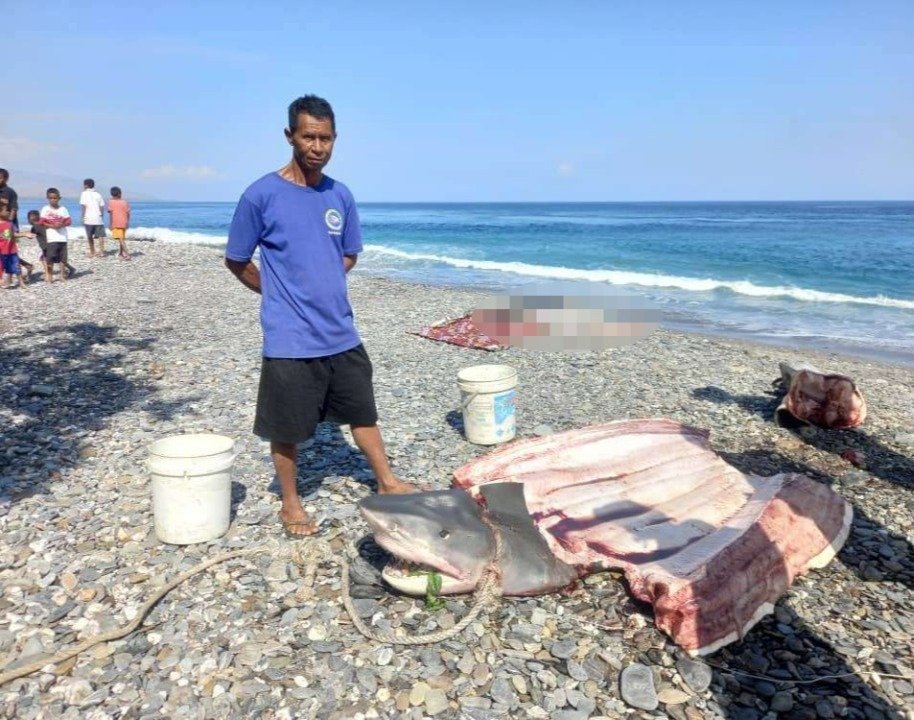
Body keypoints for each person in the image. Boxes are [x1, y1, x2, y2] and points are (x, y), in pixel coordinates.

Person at [225, 94, 416, 539]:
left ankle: (386, 481)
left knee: (362, 411)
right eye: (308, 136)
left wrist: (320, 282)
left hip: (341, 331)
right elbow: (236, 259)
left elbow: (347, 255)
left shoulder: (340, 195)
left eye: (325, 138)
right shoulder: (260, 195)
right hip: (289, 337)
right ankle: (291, 503)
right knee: (286, 426)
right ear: (289, 135)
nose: (317, 146)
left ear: (335, 139)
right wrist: (278, 292)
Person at [27, 209, 75, 279]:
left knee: (46, 259)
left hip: (48, 245)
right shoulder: (41, 225)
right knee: (58, 259)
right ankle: (70, 269)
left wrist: (25, 234)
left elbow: (31, 236)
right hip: (50, 244)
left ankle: (48, 274)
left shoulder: (36, 226)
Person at [40, 188, 72, 283]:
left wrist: (62, 225)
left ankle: (62, 276)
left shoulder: (63, 209)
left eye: (55, 198)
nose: (53, 200)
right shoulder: (45, 209)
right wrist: (52, 226)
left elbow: (69, 221)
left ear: (59, 198)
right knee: (50, 258)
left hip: (62, 237)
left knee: (63, 258)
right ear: (48, 198)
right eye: (51, 198)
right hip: (52, 238)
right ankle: (50, 276)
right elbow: (41, 222)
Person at [0, 200, 26, 288]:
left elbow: (14, 234)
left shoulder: (10, 224)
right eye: (6, 210)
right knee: (3, 268)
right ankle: (5, 282)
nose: (8, 212)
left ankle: (21, 282)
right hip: (2, 252)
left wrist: (24, 234)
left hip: (12, 250)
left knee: (17, 266)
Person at [80, 178, 106, 257]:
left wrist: (82, 217)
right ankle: (102, 252)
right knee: (101, 236)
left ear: (86, 185)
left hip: (89, 218)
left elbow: (83, 206)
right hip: (98, 218)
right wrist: (101, 215)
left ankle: (92, 251)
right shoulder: (98, 194)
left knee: (89, 236)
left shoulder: (84, 194)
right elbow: (101, 207)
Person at [107, 186, 131, 260]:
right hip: (124, 222)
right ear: (120, 194)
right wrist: (127, 222)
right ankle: (121, 253)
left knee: (121, 239)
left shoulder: (111, 202)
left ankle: (127, 254)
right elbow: (128, 213)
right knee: (122, 238)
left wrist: (110, 224)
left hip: (116, 222)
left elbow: (111, 214)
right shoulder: (124, 202)